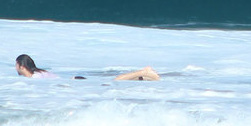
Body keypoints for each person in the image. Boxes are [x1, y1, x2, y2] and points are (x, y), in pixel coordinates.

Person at [15, 54, 159, 81]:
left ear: (21, 66)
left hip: (76, 83)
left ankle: (144, 71)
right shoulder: (40, 73)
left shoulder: (36, 77)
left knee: (115, 81)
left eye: (16, 65)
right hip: (75, 80)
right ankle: (141, 77)